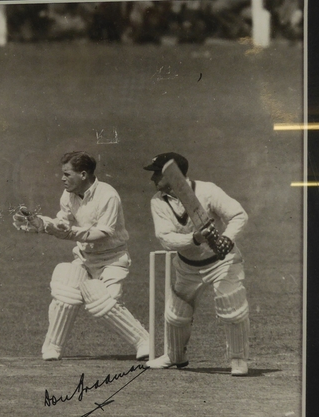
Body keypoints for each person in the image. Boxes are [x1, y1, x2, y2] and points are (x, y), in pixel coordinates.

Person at [13, 151, 149, 361]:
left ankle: (144, 341)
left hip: (112, 260)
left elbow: (103, 233)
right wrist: (41, 223)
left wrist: (71, 233)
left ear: (83, 174)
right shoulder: (68, 196)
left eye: (67, 174)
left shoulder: (108, 195)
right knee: (65, 286)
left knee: (102, 302)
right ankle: (53, 346)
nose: (62, 178)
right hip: (85, 259)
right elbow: (62, 223)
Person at [143, 152, 250, 375]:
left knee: (232, 308)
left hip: (222, 261)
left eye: (156, 174)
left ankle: (238, 359)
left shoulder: (208, 191)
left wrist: (228, 239)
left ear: (174, 176)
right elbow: (165, 238)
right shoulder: (158, 202)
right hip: (187, 266)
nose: (152, 179)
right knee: (176, 315)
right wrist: (195, 239)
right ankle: (174, 356)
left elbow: (239, 215)